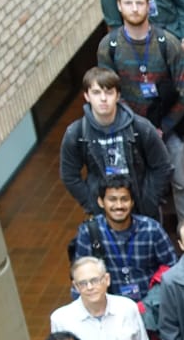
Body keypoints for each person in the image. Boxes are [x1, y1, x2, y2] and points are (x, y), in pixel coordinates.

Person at [96, 0, 184, 219]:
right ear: (119, 6)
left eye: (139, 3)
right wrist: (135, 127)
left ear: (148, 6)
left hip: (167, 128)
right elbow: (108, 94)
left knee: (181, 182)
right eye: (128, 3)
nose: (134, 8)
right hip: (129, 131)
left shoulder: (167, 43)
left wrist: (163, 128)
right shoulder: (108, 46)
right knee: (142, 188)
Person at [59, 67, 171, 224]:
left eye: (109, 92)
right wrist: (93, 204)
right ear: (86, 96)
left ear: (118, 96)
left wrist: (149, 200)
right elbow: (69, 175)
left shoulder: (141, 128)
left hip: (142, 211)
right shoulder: (76, 133)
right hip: (103, 215)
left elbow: (163, 166)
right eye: (97, 93)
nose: (103, 98)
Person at [70, 178, 176, 307]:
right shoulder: (89, 233)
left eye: (124, 199)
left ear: (132, 202)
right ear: (101, 202)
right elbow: (80, 276)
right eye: (112, 199)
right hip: (108, 309)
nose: (119, 205)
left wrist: (152, 301)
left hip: (150, 306)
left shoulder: (151, 229)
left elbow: (172, 268)